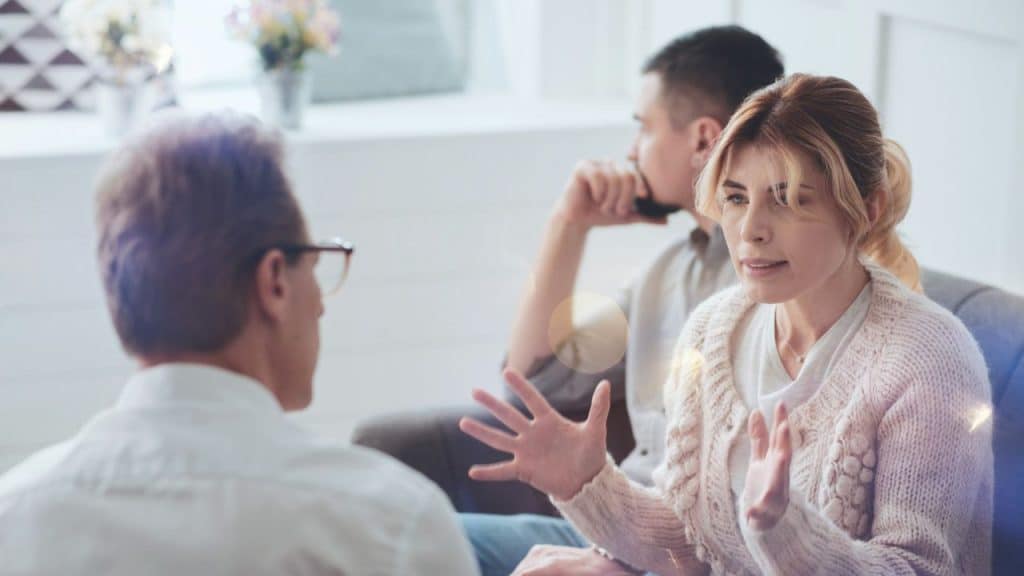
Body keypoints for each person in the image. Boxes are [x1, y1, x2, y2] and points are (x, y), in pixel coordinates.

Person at [462, 74, 993, 575]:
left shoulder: (929, 358)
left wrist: (788, 532)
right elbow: (691, 540)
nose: (750, 230)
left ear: (867, 210)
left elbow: (920, 569)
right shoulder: (714, 329)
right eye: (736, 198)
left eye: (786, 199)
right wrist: (587, 483)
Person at [0, 113, 479, 576]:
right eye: (315, 267)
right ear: (274, 281)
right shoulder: (392, 526)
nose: (320, 306)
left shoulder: (15, 517)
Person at [461, 25, 783, 575]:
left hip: (677, 553)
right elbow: (536, 377)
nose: (632, 151)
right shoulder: (666, 272)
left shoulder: (782, 283)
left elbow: (750, 499)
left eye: (644, 127)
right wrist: (569, 224)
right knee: (413, 538)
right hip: (606, 528)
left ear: (703, 139)